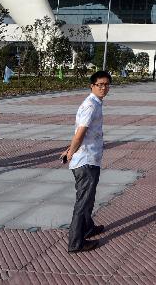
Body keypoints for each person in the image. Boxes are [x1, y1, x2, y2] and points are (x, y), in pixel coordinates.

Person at [60, 70, 110, 253]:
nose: (103, 88)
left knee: (88, 199)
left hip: (90, 158)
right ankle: (76, 242)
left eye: (106, 85)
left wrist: (68, 150)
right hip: (86, 161)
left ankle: (88, 228)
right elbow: (80, 132)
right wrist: (71, 152)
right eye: (100, 85)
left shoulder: (95, 103)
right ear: (92, 86)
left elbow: (80, 133)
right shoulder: (91, 106)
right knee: (83, 202)